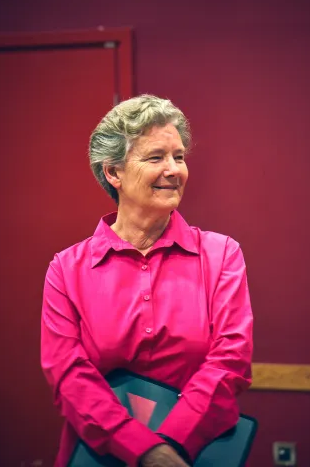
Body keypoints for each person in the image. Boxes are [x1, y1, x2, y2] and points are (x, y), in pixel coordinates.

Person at [41, 94, 254, 467]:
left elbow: (230, 359)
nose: (174, 169)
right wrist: (144, 450)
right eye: (156, 157)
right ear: (114, 173)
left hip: (195, 454)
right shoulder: (66, 269)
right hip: (100, 455)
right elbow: (70, 378)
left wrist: (170, 447)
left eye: (179, 156)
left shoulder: (221, 255)